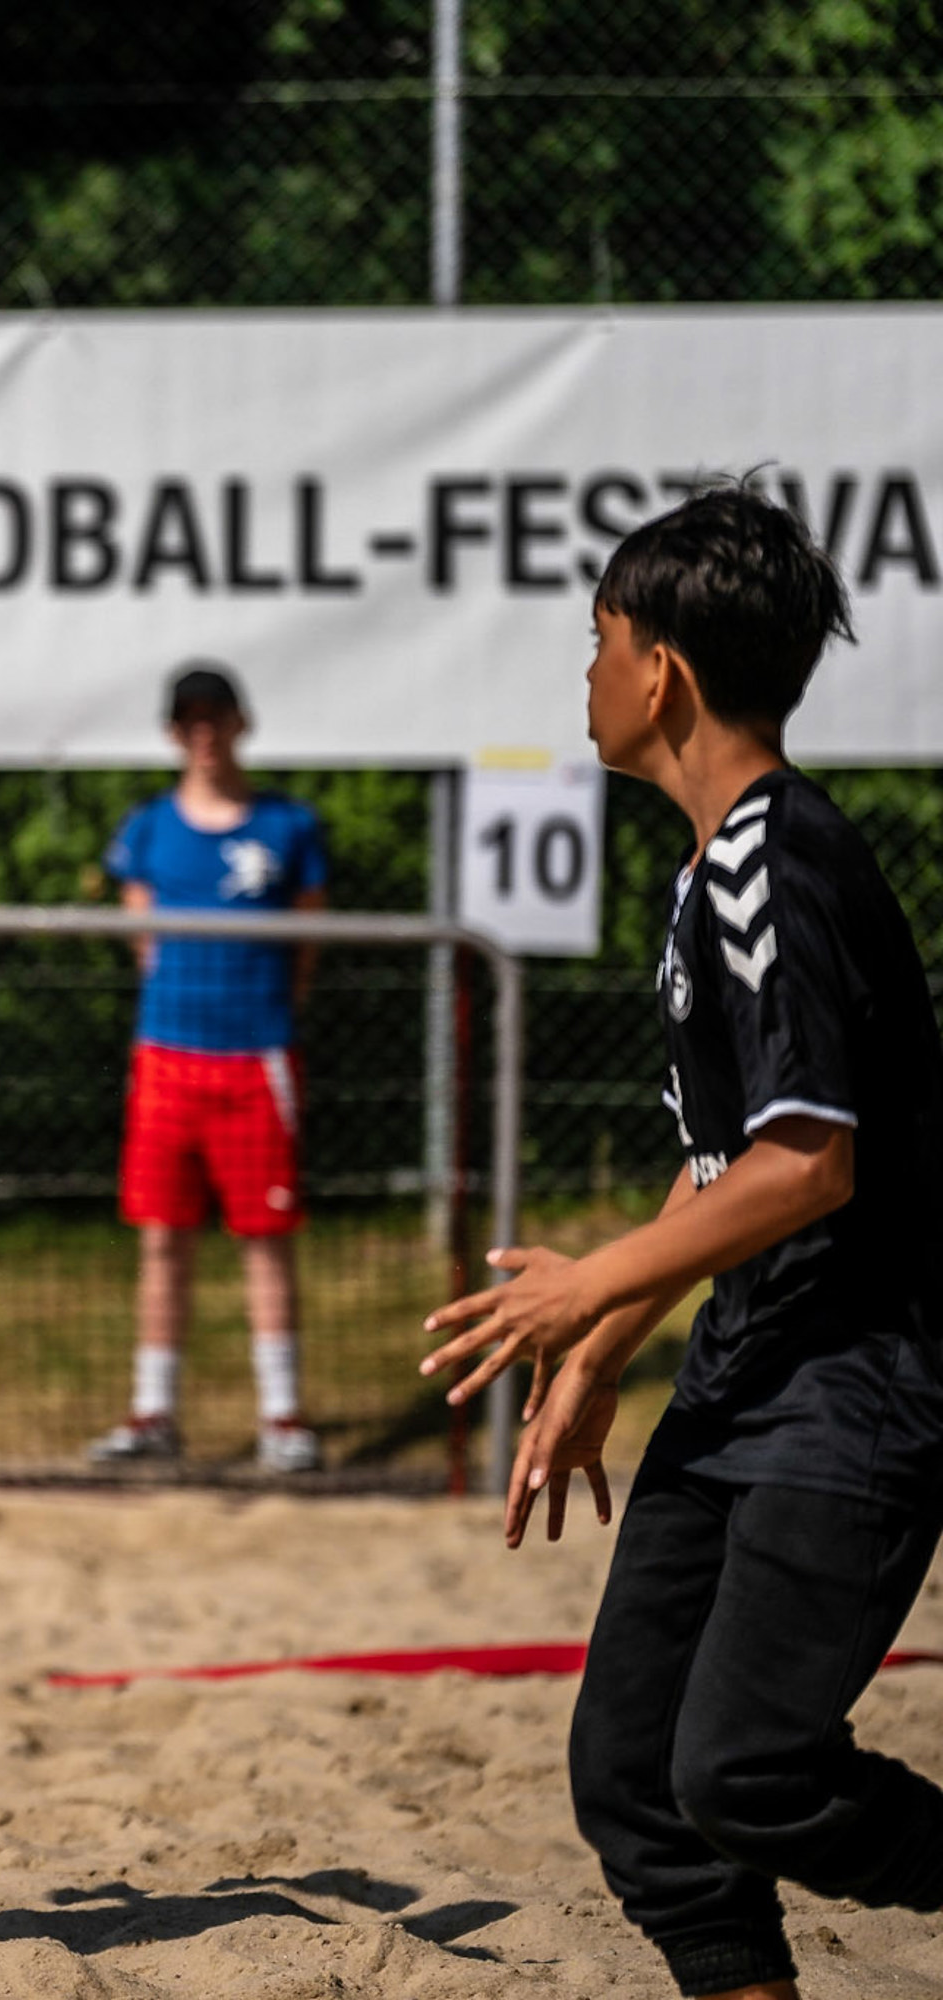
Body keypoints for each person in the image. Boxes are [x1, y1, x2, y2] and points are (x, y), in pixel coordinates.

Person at [422, 482, 943, 2000]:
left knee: (748, 1770)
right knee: (638, 1781)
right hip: (742, 1380)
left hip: (851, 1392)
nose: (583, 676)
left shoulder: (781, 859)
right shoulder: (712, 869)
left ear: (661, 671)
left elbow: (808, 1166)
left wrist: (582, 1285)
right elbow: (717, 1168)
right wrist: (598, 1352)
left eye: (597, 643)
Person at [90, 662, 330, 1473]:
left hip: (254, 1059)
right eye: (187, 719)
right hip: (165, 1058)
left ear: (239, 722)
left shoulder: (289, 826)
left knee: (265, 1240)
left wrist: (265, 1018)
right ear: (173, 732)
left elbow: (305, 946)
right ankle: (153, 1410)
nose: (202, 733)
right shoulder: (149, 828)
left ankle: (282, 1418)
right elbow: (140, 938)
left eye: (214, 716)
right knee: (163, 1238)